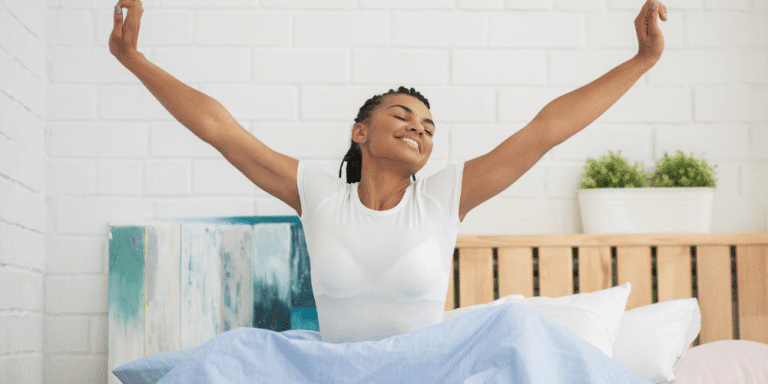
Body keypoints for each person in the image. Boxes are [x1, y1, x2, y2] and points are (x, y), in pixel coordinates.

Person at [109, 0, 667, 381]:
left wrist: (642, 60)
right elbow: (220, 129)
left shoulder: (445, 197)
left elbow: (545, 131)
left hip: (429, 371)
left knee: (517, 326)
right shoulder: (318, 195)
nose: (419, 130)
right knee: (227, 356)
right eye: (403, 116)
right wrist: (132, 57)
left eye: (428, 127)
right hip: (333, 372)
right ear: (361, 133)